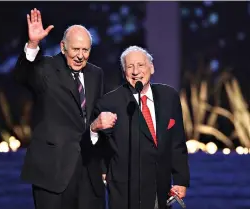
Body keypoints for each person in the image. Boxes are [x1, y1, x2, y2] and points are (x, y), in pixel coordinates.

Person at [14, 8, 117, 209]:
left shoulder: (96, 74)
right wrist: (33, 44)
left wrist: (104, 165)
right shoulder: (46, 68)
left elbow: (95, 118)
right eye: (75, 49)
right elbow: (22, 76)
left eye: (85, 50)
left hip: (89, 171)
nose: (80, 56)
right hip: (53, 171)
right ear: (63, 47)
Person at [91, 46, 190, 209]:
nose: (136, 71)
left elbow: (177, 143)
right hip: (125, 194)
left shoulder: (169, 97)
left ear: (151, 68)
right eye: (130, 67)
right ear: (124, 73)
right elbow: (100, 147)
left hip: (160, 190)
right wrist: (104, 172)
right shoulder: (108, 103)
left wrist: (180, 180)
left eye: (141, 65)